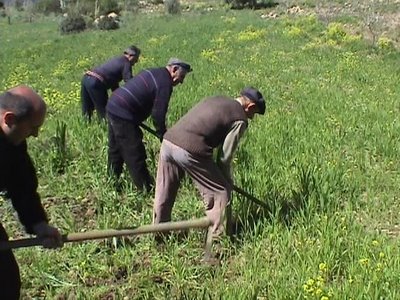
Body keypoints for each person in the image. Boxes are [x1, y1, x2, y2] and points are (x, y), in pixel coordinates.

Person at [152, 87, 266, 241]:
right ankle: (219, 242)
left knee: (164, 191)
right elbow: (225, 157)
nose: (252, 117)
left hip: (168, 141)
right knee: (221, 192)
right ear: (250, 106)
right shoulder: (240, 118)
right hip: (190, 149)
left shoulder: (217, 98)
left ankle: (158, 234)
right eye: (254, 113)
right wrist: (225, 180)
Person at [0, 85, 63, 299]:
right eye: (33, 127)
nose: (35, 135)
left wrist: (38, 224)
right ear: (8, 119)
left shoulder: (14, 141)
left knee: (6, 282)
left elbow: (22, 185)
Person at [106, 57, 192, 192]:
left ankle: (112, 180)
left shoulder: (155, 72)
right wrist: (163, 134)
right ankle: (146, 189)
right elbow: (158, 114)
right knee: (134, 152)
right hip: (123, 113)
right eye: (181, 77)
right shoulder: (165, 83)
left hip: (114, 105)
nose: (181, 82)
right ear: (174, 69)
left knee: (116, 148)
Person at [81, 45, 141, 121]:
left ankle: (86, 127)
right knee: (104, 113)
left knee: (87, 111)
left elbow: (113, 83)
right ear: (131, 56)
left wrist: (118, 99)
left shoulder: (117, 60)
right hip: (96, 82)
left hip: (86, 78)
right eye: (136, 58)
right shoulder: (126, 63)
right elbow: (129, 83)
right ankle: (105, 129)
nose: (136, 61)